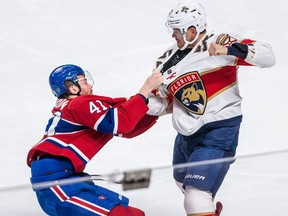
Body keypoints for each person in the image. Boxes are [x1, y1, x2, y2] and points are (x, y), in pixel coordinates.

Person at [147, 1, 276, 216]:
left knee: (196, 196)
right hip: (186, 134)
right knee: (183, 183)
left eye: (177, 31)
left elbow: (268, 57)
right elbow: (163, 102)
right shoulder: (165, 59)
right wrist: (140, 102)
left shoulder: (220, 41)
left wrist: (230, 50)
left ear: (192, 29)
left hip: (219, 130)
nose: (173, 35)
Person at [27, 64, 163, 216]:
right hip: (56, 181)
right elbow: (122, 122)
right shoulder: (78, 104)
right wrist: (147, 87)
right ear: (72, 88)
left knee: (133, 213)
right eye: (84, 81)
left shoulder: (75, 109)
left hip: (64, 177)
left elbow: (126, 128)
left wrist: (162, 109)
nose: (90, 85)